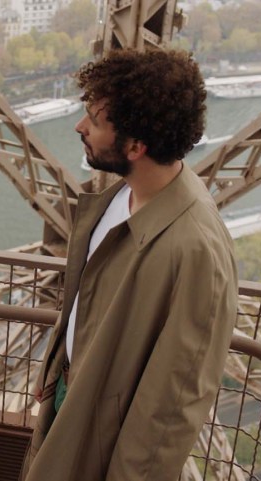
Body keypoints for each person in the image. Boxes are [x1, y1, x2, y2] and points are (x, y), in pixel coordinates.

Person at [21, 49, 238, 481]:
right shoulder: (121, 198)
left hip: (100, 437)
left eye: (95, 122)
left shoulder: (198, 252)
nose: (80, 127)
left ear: (136, 147)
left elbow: (170, 410)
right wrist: (54, 373)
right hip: (72, 401)